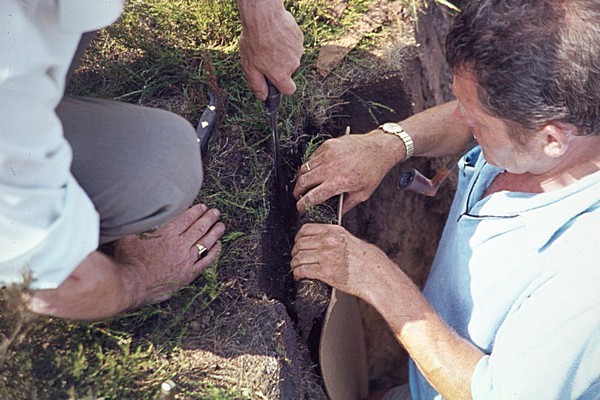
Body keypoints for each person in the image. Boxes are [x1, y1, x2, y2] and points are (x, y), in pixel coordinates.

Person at [291, 0, 600, 398]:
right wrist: (388, 145)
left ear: (552, 139)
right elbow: (473, 115)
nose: (460, 118)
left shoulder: (582, 282)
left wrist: (375, 277)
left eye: (478, 120)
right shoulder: (552, 124)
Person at [0, 0, 303, 321]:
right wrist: (139, 278)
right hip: (10, 130)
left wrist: (262, 15)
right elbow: (55, 286)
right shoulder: (11, 78)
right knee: (163, 169)